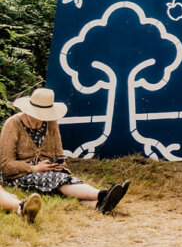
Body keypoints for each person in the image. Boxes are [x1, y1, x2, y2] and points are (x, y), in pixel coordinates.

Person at [0, 88, 129, 213]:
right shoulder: (12, 124)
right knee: (60, 179)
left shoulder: (50, 123)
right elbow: (5, 165)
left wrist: (59, 164)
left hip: (48, 171)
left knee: (63, 181)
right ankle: (102, 194)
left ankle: (98, 204)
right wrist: (34, 168)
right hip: (20, 175)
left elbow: (59, 153)